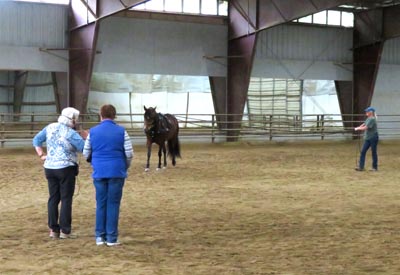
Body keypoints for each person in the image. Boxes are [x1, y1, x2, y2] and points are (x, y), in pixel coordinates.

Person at [33, 107, 88, 239]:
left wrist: (41, 155)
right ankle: (65, 230)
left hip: (50, 167)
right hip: (66, 168)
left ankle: (53, 229)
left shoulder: (50, 127)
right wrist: (87, 137)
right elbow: (84, 148)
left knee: (53, 198)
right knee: (66, 199)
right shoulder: (71, 133)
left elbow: (36, 140)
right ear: (72, 119)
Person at [83, 104, 134, 246]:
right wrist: (125, 166)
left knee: (101, 204)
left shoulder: (93, 132)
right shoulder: (122, 131)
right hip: (117, 171)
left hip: (99, 171)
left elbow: (86, 152)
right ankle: (111, 238)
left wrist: (94, 163)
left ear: (101, 115)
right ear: (114, 116)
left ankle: (99, 236)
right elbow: (129, 153)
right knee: (113, 204)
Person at [354, 106, 379, 172]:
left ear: (371, 112)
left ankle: (374, 167)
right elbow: (364, 123)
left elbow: (366, 127)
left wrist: (358, 128)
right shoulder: (368, 118)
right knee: (363, 151)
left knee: (373, 152)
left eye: (367, 111)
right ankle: (361, 167)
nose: (366, 112)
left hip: (373, 137)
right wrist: (360, 126)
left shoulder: (372, 119)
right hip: (368, 137)